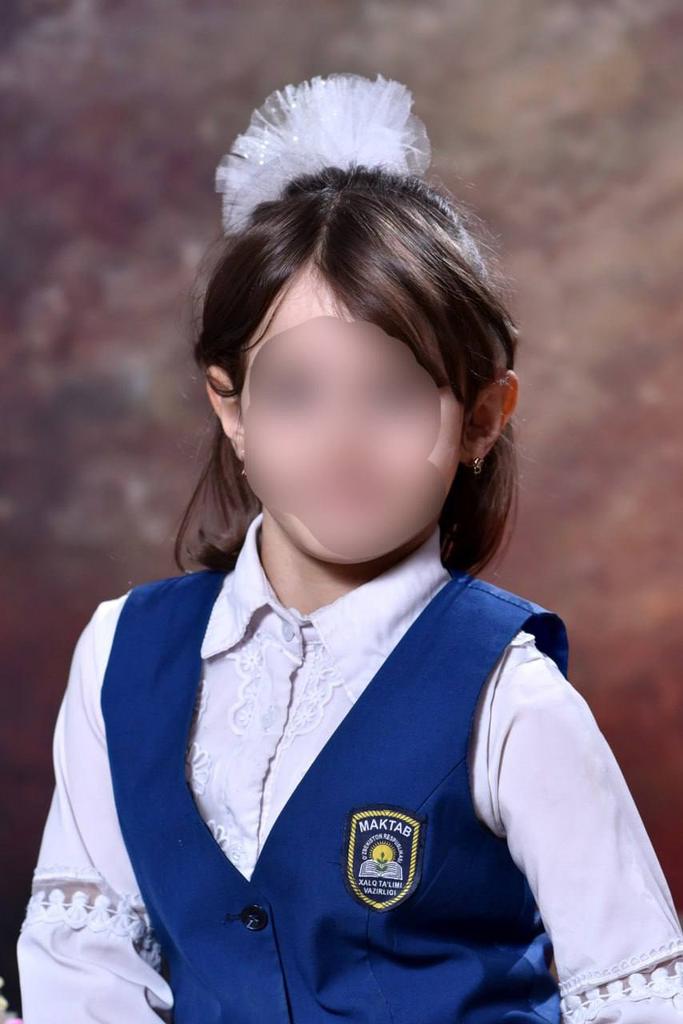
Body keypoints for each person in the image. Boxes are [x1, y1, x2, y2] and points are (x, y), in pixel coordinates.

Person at [17, 72, 683, 1023]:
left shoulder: (512, 699)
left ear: (481, 418)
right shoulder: (121, 655)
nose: (340, 443)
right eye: (294, 394)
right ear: (230, 407)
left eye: (394, 394)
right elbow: (84, 964)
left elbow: (637, 997)